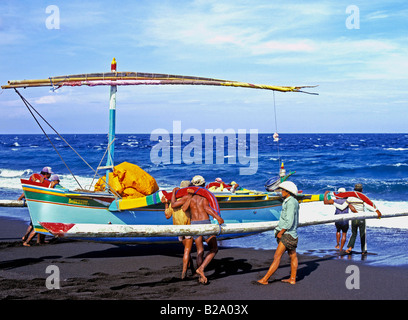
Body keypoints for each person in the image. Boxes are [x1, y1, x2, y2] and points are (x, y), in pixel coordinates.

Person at [172, 175, 225, 284]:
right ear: (204, 185)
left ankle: (199, 276)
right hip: (205, 224)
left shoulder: (188, 197)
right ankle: (201, 269)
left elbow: (173, 204)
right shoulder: (204, 196)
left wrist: (173, 192)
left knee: (200, 251)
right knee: (214, 248)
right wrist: (218, 218)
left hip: (194, 224)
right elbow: (207, 208)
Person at [257, 181, 299, 285]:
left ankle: (265, 279)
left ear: (287, 192)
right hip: (292, 233)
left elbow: (289, 220)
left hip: (287, 234)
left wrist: (281, 232)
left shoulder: (290, 202)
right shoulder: (292, 201)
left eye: (282, 190)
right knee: (292, 255)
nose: (281, 192)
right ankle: (292, 279)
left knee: (277, 256)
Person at [333, 183, 382, 254]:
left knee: (354, 233)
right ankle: (363, 251)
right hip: (361, 217)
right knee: (363, 234)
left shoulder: (350, 198)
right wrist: (376, 210)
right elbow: (367, 206)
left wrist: (333, 203)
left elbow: (342, 207)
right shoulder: (362, 198)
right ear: (361, 190)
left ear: (354, 190)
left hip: (353, 218)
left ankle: (350, 248)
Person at [162, 180, 195, 279]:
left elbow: (167, 216)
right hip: (187, 227)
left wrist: (166, 204)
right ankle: (184, 272)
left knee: (186, 250)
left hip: (178, 229)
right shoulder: (187, 199)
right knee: (187, 251)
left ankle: (192, 269)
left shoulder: (174, 201)